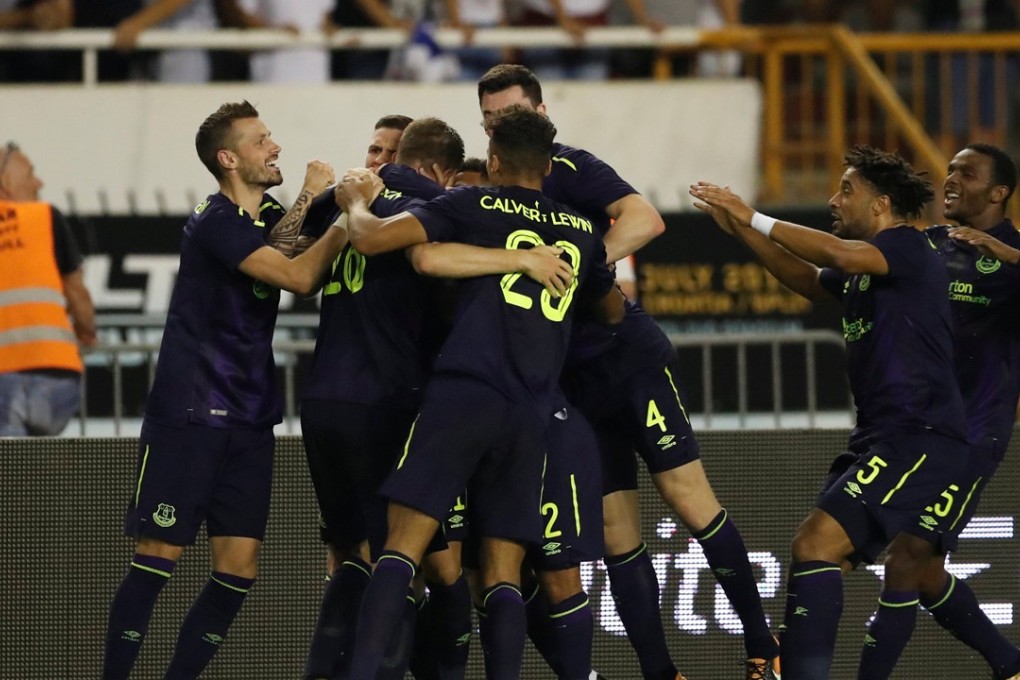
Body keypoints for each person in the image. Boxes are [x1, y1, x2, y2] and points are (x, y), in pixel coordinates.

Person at [478, 63, 779, 680]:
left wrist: (584, 261)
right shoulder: (493, 185)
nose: (498, 129)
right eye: (487, 120)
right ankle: (660, 672)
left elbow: (645, 219)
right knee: (617, 532)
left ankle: (762, 647)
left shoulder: (572, 168)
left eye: (508, 115)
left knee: (688, 497)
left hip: (626, 358)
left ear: (539, 115)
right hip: (571, 380)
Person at [339, 105, 624, 680]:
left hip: (465, 391)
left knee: (402, 545)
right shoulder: (582, 232)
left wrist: (353, 202)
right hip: (532, 410)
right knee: (502, 572)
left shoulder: (471, 203)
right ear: (548, 166)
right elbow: (613, 310)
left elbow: (373, 242)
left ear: (492, 160)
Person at [690, 145, 970, 679]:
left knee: (814, 542)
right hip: (881, 438)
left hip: (920, 435)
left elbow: (837, 257)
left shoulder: (907, 247)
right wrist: (742, 231)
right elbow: (807, 280)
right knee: (822, 557)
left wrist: (755, 215)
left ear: (882, 203)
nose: (832, 199)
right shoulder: (872, 265)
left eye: (847, 189)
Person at [101, 100, 347, 680]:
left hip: (250, 417)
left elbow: (282, 241)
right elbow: (297, 275)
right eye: (262, 140)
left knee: (239, 568)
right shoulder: (212, 220)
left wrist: (336, 198)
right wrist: (344, 223)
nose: (276, 147)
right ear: (229, 158)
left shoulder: (260, 222)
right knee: (158, 557)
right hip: (191, 412)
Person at [854, 144, 1020, 679]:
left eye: (965, 174)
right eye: (949, 170)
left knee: (905, 558)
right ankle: (1010, 664)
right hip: (917, 428)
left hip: (972, 431)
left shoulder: (1013, 254)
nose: (950, 179)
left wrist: (1004, 251)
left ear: (999, 193)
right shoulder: (925, 245)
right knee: (922, 571)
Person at [0, 142, 96, 436]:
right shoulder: (44, 218)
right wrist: (87, 333)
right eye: (31, 174)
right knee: (38, 473)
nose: (39, 182)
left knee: (11, 471)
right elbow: (75, 291)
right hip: (56, 374)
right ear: (7, 183)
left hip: (3, 378)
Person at [233, 0, 334, 83]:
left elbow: (324, 16)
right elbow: (242, 15)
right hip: (273, 74)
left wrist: (330, 29)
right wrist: (276, 32)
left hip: (315, 74)